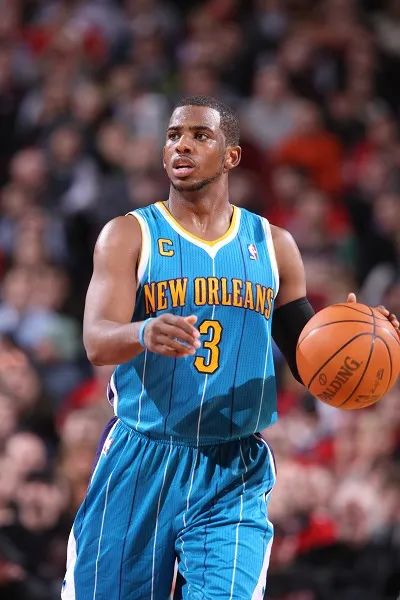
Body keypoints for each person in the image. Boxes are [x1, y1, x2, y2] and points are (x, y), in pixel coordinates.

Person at [61, 96, 399, 599]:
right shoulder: (128, 234)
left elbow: (311, 364)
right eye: (173, 136)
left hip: (233, 469)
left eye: (200, 136)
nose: (182, 146)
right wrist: (141, 332)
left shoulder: (274, 244)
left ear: (231, 156)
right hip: (142, 456)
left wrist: (361, 339)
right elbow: (95, 341)